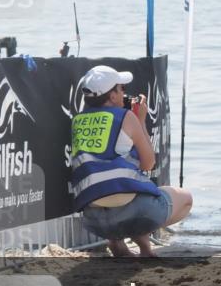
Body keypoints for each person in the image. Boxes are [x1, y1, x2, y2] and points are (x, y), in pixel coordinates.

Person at [70, 65, 192, 257]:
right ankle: (142, 239)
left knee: (112, 190)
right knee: (185, 199)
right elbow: (148, 164)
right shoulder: (126, 116)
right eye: (121, 89)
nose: (124, 93)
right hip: (135, 213)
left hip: (93, 221)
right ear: (111, 96)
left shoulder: (77, 121)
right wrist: (140, 120)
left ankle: (117, 242)